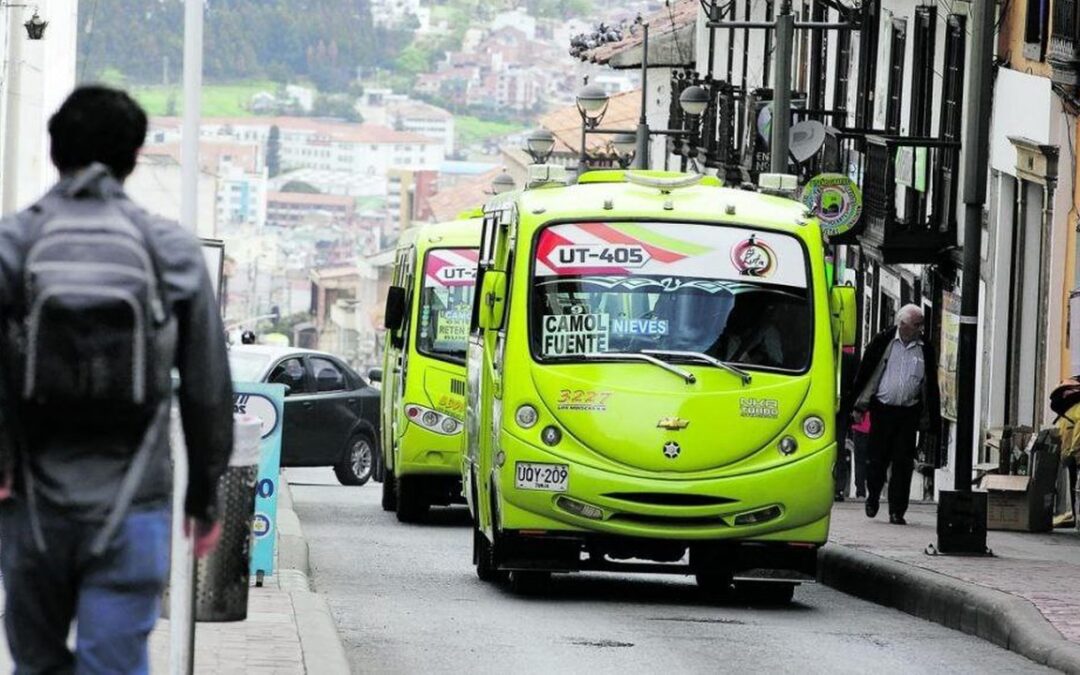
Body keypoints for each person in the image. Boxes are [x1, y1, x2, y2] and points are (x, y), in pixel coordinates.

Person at [0, 86, 234, 673]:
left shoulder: (13, 245)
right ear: (133, 157)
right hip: (135, 503)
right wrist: (204, 496)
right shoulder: (170, 251)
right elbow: (208, 384)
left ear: (55, 153)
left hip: (30, 505)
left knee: (36, 664)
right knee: (115, 661)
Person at [848, 304, 940, 525]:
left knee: (903, 463)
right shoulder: (884, 342)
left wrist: (930, 417)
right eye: (916, 325)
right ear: (902, 324)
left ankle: (897, 510)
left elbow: (931, 384)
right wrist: (857, 406)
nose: (920, 329)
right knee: (877, 460)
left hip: (909, 413)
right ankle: (873, 496)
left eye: (921, 324)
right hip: (882, 410)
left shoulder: (924, 347)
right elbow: (866, 372)